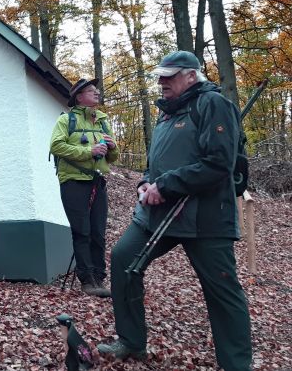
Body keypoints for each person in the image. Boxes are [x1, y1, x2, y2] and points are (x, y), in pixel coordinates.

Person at [98, 51, 252, 370]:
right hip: (157, 214)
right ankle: (131, 341)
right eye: (160, 76)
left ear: (191, 76)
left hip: (206, 217)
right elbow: (157, 161)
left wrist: (165, 185)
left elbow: (218, 164)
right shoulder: (166, 112)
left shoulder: (213, 105)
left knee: (222, 290)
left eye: (169, 76)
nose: (161, 82)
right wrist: (145, 183)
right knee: (124, 259)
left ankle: (236, 363)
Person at [49, 78, 119, 297]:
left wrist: (112, 148)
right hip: (73, 182)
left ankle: (99, 278)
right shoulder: (66, 120)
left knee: (98, 232)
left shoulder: (102, 121)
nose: (97, 93)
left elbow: (112, 157)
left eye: (96, 90)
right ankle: (87, 281)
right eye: (91, 91)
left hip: (98, 181)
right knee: (82, 232)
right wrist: (89, 151)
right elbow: (56, 146)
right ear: (79, 97)